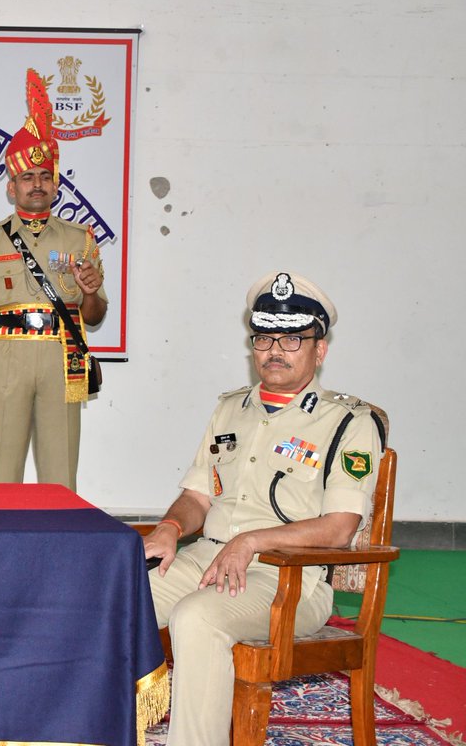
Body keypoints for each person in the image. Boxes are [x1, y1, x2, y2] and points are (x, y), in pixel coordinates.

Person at [142, 271, 382, 745]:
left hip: (289, 578)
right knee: (118, 597)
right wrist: (170, 525)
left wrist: (252, 541)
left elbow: (339, 527)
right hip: (206, 558)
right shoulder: (229, 409)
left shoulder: (349, 421)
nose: (275, 350)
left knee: (198, 617)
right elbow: (197, 497)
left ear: (320, 350)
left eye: (292, 339)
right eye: (264, 338)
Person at [0, 69, 107, 488]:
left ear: (56, 184)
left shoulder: (80, 239)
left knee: (61, 475)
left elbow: (95, 315)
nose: (37, 184)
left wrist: (90, 292)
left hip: (62, 357)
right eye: (27, 177)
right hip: (6, 357)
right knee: (0, 474)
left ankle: (60, 532)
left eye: (45, 176)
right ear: (12, 187)